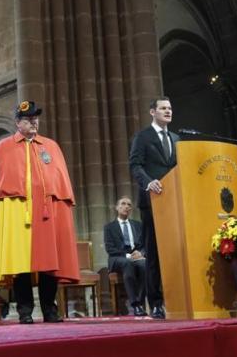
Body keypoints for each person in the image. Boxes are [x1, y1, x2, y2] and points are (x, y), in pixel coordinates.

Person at [0, 100, 80, 324]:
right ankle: (25, 311)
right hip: (19, 211)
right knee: (21, 264)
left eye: (35, 118)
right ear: (18, 123)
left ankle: (50, 309)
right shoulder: (5, 146)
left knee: (49, 263)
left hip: (48, 211)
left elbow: (60, 180)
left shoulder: (50, 146)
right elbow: (1, 183)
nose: (33, 122)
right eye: (28, 119)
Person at [128, 96, 179, 320]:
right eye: (163, 108)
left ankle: (178, 299)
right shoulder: (143, 137)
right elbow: (135, 165)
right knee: (155, 255)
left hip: (176, 202)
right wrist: (148, 182)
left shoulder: (177, 138)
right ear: (152, 112)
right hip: (152, 203)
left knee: (176, 252)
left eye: (169, 108)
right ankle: (156, 303)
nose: (167, 112)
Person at [103, 196, 147, 316]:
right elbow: (110, 249)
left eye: (129, 204)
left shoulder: (137, 225)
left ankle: (140, 302)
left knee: (144, 265)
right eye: (123, 203)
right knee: (127, 263)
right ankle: (135, 304)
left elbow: (144, 244)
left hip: (136, 256)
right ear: (117, 207)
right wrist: (128, 256)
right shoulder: (109, 227)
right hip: (118, 257)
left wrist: (141, 253)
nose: (126, 206)